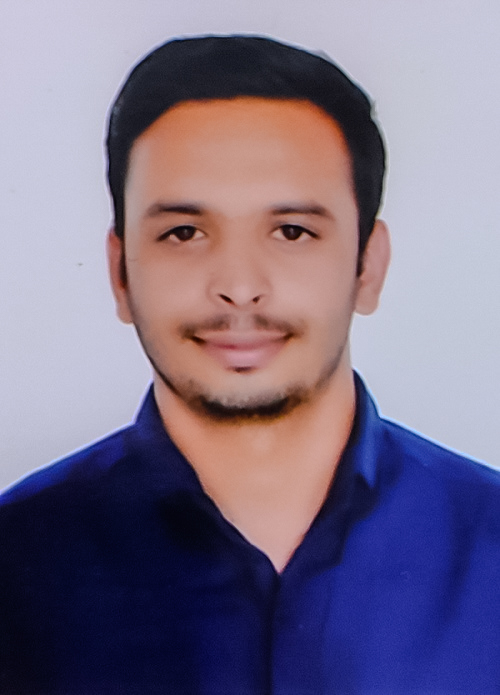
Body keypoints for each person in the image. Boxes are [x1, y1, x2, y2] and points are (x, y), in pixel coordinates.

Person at [1, 35, 499, 695]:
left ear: (368, 266)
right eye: (184, 233)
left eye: (292, 231)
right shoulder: (15, 562)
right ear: (120, 273)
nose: (239, 286)